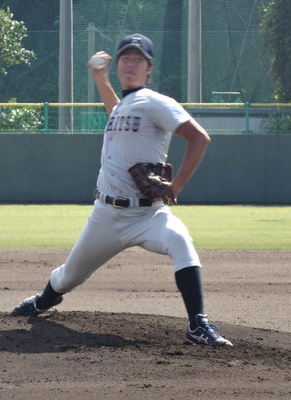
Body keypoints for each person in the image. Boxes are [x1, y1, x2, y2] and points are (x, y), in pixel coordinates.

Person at [12, 33, 233, 347]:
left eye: (138, 59)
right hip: (106, 215)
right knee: (68, 276)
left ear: (149, 68)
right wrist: (100, 80)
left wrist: (176, 187)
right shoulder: (125, 106)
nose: (130, 64)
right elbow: (117, 109)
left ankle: (197, 324)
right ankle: (41, 303)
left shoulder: (157, 102)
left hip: (148, 214)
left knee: (181, 240)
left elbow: (200, 138)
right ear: (118, 65)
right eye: (125, 59)